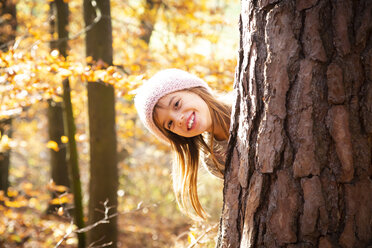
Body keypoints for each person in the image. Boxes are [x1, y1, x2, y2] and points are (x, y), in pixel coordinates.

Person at [134, 68, 232, 219]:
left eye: (177, 104)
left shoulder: (249, 102)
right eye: (170, 123)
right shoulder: (213, 158)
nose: (178, 119)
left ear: (194, 90)